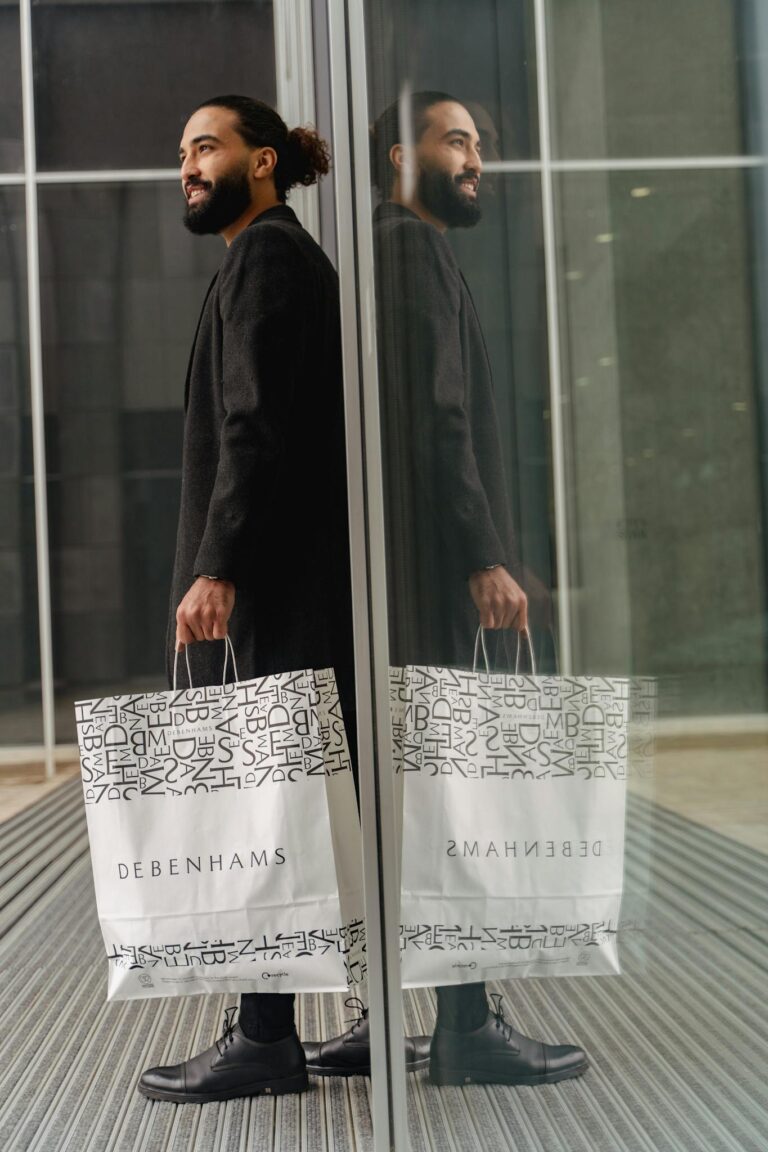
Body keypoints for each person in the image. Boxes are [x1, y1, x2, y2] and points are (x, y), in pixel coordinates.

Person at [304, 91, 587, 1087]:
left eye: (477, 145)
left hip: (397, 575)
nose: (475, 160)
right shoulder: (409, 249)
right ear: (400, 156)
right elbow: (440, 418)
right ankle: (465, 1027)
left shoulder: (386, 253)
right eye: (456, 141)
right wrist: (483, 554)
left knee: (403, 801)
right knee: (449, 797)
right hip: (425, 581)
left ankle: (383, 1017)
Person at [138, 94, 357, 1103]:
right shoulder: (269, 256)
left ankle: (266, 1038)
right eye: (182, 154)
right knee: (296, 805)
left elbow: (253, 423)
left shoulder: (268, 257)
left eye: (206, 148)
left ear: (261, 161)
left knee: (263, 809)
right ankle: (328, 1017)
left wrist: (217, 564)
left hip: (271, 592)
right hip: (288, 586)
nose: (188, 167)